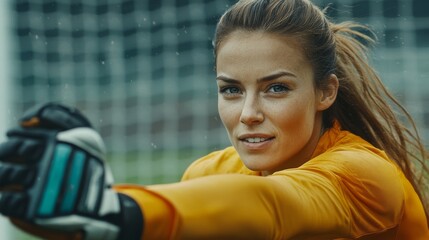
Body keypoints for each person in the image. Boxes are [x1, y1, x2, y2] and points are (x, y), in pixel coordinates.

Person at [0, 0, 428, 239]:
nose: (248, 114)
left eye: (276, 88)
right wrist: (73, 226)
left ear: (325, 92)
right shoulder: (208, 172)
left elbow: (276, 207)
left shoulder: (366, 174)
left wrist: (118, 209)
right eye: (231, 90)